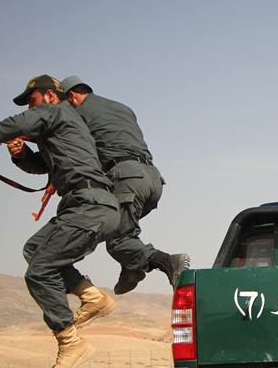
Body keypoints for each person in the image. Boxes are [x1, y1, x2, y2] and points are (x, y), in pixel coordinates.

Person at [0, 75, 120, 368]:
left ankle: (71, 343)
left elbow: (21, 122)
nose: (30, 108)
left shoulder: (57, 112)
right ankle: (92, 296)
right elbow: (43, 165)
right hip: (85, 204)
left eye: (32, 101)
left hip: (89, 204)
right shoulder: (60, 125)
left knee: (39, 272)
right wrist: (19, 154)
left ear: (49, 96)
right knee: (34, 250)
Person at [59, 76, 189, 295]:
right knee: (124, 232)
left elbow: (55, 133)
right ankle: (131, 270)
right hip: (152, 179)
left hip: (126, 179)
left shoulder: (77, 112)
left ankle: (168, 261)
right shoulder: (122, 108)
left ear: (72, 96)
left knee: (117, 239)